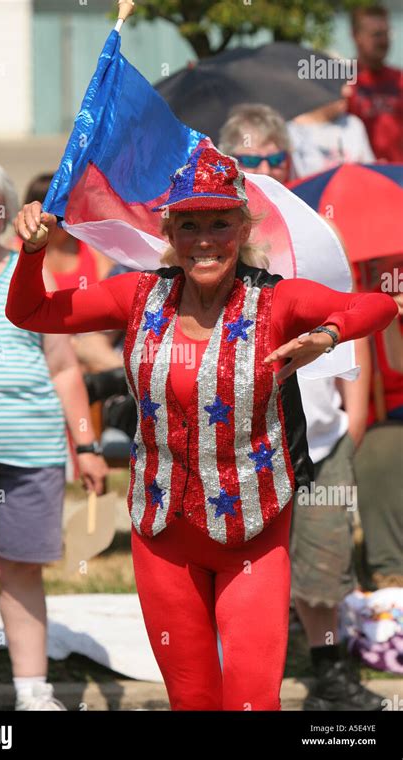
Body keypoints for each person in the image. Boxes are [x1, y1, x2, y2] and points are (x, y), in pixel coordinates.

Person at [6, 145, 397, 711]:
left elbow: (376, 307)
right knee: (192, 700)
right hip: (161, 532)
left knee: (249, 701)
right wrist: (32, 250)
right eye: (189, 224)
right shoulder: (139, 295)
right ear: (169, 229)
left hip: (254, 535)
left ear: (242, 227)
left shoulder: (276, 300)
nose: (205, 238)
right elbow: (32, 312)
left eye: (220, 222)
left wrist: (328, 336)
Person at [220, 105, 386, 709]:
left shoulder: (318, 231)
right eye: (249, 159)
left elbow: (353, 324)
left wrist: (354, 421)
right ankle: (234, 677)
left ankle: (328, 671)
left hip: (319, 432)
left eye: (274, 158)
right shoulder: (214, 239)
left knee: (324, 564)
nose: (264, 168)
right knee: (238, 566)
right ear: (226, 165)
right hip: (243, 438)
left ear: (290, 162)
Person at [0, 158, 108, 711]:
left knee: (22, 568)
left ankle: (33, 691)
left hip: (32, 450)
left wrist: (85, 444)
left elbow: (63, 366)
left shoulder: (30, 271)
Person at [347, 5, 403, 162]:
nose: (383, 41)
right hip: (361, 176)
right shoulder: (342, 81)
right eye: (376, 34)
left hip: (398, 176)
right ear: (356, 36)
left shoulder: (399, 79)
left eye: (386, 34)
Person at [287, 87, 375, 178]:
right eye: (338, 84)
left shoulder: (353, 124)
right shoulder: (292, 131)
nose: (348, 92)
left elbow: (370, 170)